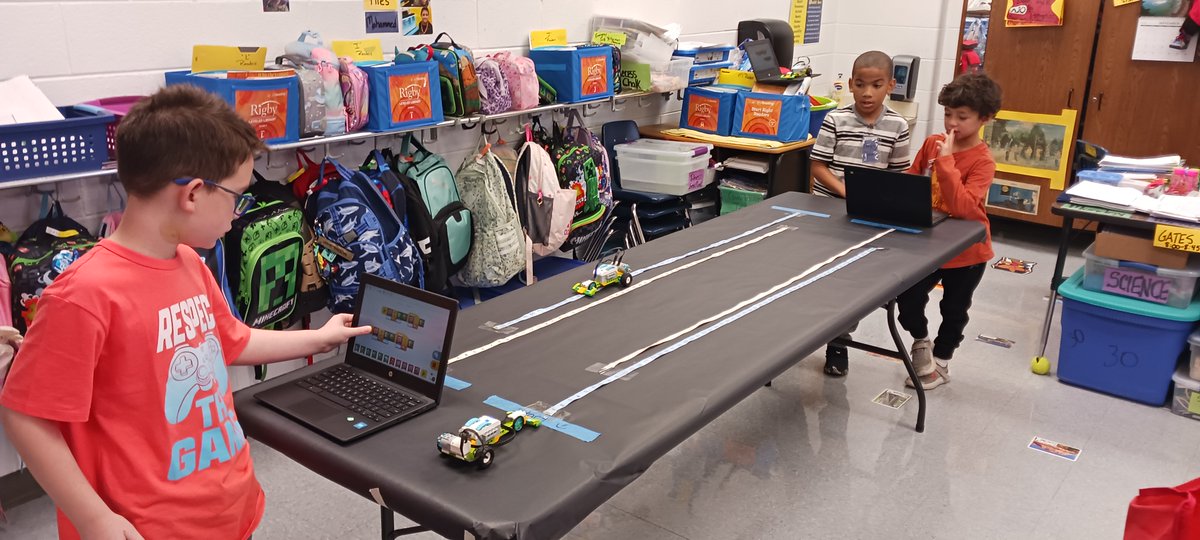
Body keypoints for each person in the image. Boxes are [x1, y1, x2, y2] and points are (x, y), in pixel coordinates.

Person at [0, 85, 372, 539]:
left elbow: (231, 339)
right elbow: (26, 415)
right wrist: (93, 517)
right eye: (236, 197)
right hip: (150, 527)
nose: (237, 214)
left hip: (226, 508)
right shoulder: (83, 296)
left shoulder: (190, 262)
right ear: (193, 193)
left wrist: (319, 338)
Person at [809, 50, 912, 376]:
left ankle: (838, 344)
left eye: (877, 85)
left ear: (890, 86)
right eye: (861, 85)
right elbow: (818, 167)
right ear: (851, 85)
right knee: (818, 279)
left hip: (867, 218)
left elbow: (898, 176)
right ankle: (802, 335)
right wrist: (845, 193)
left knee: (850, 284)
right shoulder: (835, 119)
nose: (868, 93)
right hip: (828, 214)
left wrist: (877, 203)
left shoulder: (898, 125)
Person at [898, 72, 1003, 389]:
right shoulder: (932, 144)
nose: (951, 124)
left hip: (968, 252)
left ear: (984, 118)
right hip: (929, 245)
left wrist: (945, 163)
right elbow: (912, 180)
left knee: (954, 309)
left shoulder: (983, 161)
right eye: (947, 114)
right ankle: (921, 342)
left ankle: (942, 361)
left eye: (962, 117)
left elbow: (964, 207)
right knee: (908, 296)